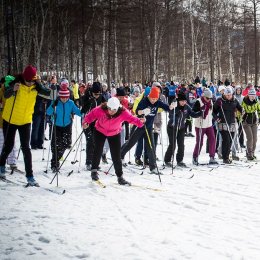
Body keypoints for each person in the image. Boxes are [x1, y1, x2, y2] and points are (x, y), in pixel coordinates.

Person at [0, 65, 50, 185]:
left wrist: (41, 85)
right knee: (8, 145)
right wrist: (13, 89)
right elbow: (6, 95)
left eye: (31, 81)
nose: (28, 83)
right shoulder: (15, 83)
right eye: (27, 80)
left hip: (25, 121)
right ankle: (1, 165)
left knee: (26, 148)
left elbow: (50, 94)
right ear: (23, 77)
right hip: (10, 119)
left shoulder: (36, 87)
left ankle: (30, 176)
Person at [82, 97, 145, 185]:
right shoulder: (100, 109)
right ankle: (94, 171)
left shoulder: (123, 112)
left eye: (113, 109)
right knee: (98, 150)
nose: (111, 111)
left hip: (114, 133)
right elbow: (90, 116)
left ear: (118, 108)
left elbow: (131, 119)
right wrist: (85, 122)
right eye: (109, 109)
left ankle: (120, 177)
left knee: (116, 155)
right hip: (100, 130)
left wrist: (140, 122)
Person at [121, 85, 175, 174]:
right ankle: (120, 155)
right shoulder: (144, 101)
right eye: (152, 99)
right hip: (139, 125)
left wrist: (171, 106)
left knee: (151, 146)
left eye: (155, 99)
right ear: (149, 96)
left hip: (148, 127)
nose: (153, 101)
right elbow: (137, 111)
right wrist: (143, 111)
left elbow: (167, 108)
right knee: (131, 142)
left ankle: (153, 167)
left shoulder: (158, 102)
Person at [46, 82, 81, 171]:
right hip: (57, 126)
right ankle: (54, 164)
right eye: (62, 97)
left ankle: (57, 158)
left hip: (67, 126)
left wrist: (85, 111)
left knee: (66, 144)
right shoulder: (56, 102)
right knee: (56, 146)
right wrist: (52, 106)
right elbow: (48, 112)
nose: (64, 99)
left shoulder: (71, 103)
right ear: (59, 96)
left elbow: (78, 112)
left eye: (66, 97)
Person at [164, 93, 202, 167]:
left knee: (181, 145)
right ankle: (167, 160)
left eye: (185, 101)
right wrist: (175, 111)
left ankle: (180, 160)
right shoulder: (174, 105)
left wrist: (200, 113)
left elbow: (193, 114)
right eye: (182, 101)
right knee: (173, 145)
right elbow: (170, 114)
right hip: (172, 128)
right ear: (178, 101)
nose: (183, 103)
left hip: (181, 128)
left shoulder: (186, 107)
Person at [213, 87, 243, 164]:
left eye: (230, 95)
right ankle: (225, 157)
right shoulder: (220, 100)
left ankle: (227, 155)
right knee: (226, 140)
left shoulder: (234, 99)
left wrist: (242, 110)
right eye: (227, 95)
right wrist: (216, 118)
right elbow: (213, 111)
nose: (228, 96)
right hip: (222, 122)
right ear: (224, 94)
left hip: (232, 122)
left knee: (230, 140)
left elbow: (239, 107)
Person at [192, 88, 218, 165]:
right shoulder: (198, 102)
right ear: (204, 96)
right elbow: (193, 112)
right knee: (200, 142)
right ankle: (195, 157)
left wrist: (216, 118)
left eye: (210, 98)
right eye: (207, 98)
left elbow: (211, 112)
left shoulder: (210, 102)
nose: (208, 100)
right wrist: (200, 112)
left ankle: (212, 157)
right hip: (200, 125)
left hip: (209, 124)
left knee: (212, 139)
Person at [241, 88, 260, 160]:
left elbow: (259, 109)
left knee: (255, 139)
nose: (253, 97)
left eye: (254, 95)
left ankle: (252, 152)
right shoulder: (244, 101)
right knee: (250, 138)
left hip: (254, 121)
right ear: (248, 95)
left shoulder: (257, 101)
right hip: (246, 121)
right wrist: (242, 114)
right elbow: (241, 109)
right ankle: (249, 154)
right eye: (251, 95)